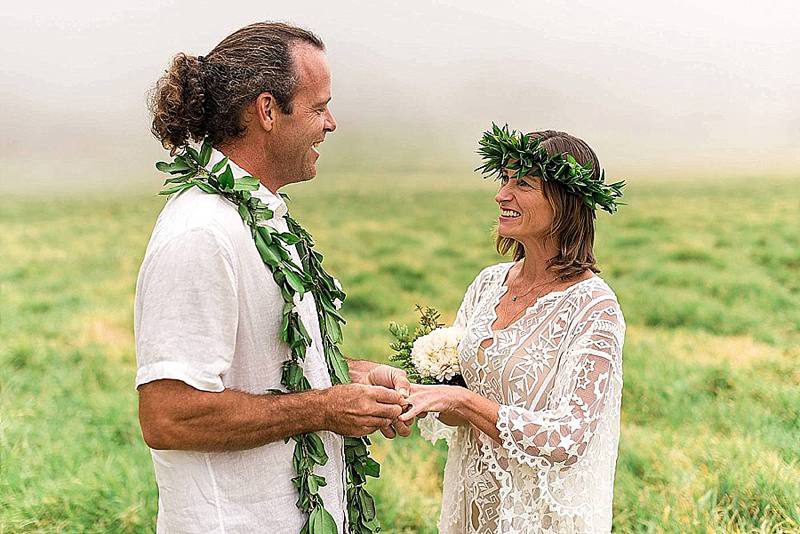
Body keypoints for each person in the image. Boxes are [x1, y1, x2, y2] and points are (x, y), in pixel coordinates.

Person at [135, 22, 411, 533]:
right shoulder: (200, 232)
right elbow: (168, 414)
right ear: (266, 111)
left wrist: (354, 377)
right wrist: (324, 408)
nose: (331, 123)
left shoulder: (259, 218)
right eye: (317, 106)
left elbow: (264, 365)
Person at [399, 130, 626, 533]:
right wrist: (414, 396)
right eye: (504, 179)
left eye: (522, 183)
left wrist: (462, 401)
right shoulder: (489, 284)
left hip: (540, 518)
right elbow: (457, 406)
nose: (502, 195)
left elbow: (567, 439)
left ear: (566, 201)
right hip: (472, 510)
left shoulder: (594, 308)